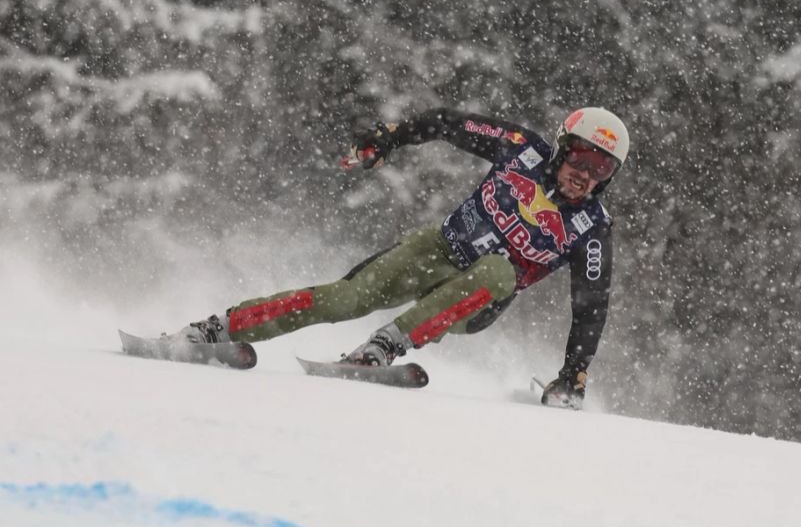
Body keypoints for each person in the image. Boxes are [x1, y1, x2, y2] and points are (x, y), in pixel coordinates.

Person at [179, 107, 629, 409]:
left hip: (479, 298)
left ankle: (383, 348)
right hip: (437, 249)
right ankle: (214, 328)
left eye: (601, 169)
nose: (586, 175)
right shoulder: (522, 148)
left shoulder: (592, 227)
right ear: (563, 146)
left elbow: (591, 308)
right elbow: (448, 124)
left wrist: (573, 375)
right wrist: (390, 138)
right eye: (583, 158)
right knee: (344, 300)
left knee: (498, 269)